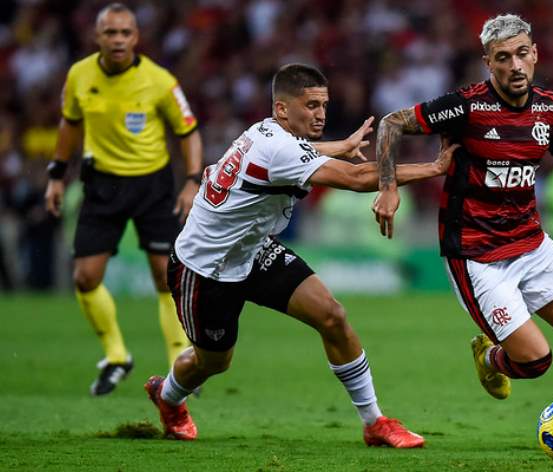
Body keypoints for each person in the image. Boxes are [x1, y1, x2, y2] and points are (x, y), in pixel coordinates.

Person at [372, 14, 553, 452]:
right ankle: (488, 356)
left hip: (530, 243)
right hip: (475, 255)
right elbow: (391, 124)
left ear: (535, 55)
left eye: (522, 54)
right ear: (489, 63)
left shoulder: (549, 108)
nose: (515, 65)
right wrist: (388, 187)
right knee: (536, 361)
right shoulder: (465, 106)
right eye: (503, 57)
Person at [144, 63, 458, 446]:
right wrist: (434, 167)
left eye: (324, 105)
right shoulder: (278, 149)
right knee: (214, 362)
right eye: (310, 105)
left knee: (332, 316)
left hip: (253, 248)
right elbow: (357, 179)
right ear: (282, 109)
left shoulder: (265, 131)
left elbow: (296, 152)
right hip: (206, 268)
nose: (321, 113)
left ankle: (374, 422)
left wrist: (339, 146)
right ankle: (168, 396)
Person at [44, 3, 203, 395]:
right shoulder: (79, 75)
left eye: (125, 33)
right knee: (85, 277)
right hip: (101, 185)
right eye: (110, 33)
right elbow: (69, 123)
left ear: (136, 37)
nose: (118, 40)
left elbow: (189, 132)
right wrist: (56, 176)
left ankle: (179, 361)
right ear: (97, 37)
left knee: (165, 278)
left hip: (152, 185)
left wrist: (192, 180)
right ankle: (116, 356)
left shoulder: (159, 80)